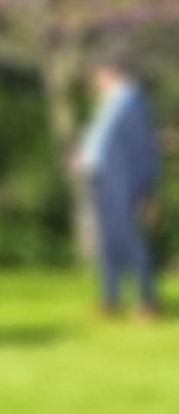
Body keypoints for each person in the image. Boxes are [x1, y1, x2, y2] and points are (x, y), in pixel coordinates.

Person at [74, 47, 162, 317]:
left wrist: (146, 190)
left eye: (98, 76)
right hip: (104, 178)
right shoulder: (110, 102)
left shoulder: (134, 103)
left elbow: (145, 148)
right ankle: (111, 299)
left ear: (111, 74)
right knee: (109, 241)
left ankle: (148, 301)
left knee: (130, 239)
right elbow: (103, 140)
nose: (94, 82)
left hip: (126, 183)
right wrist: (84, 156)